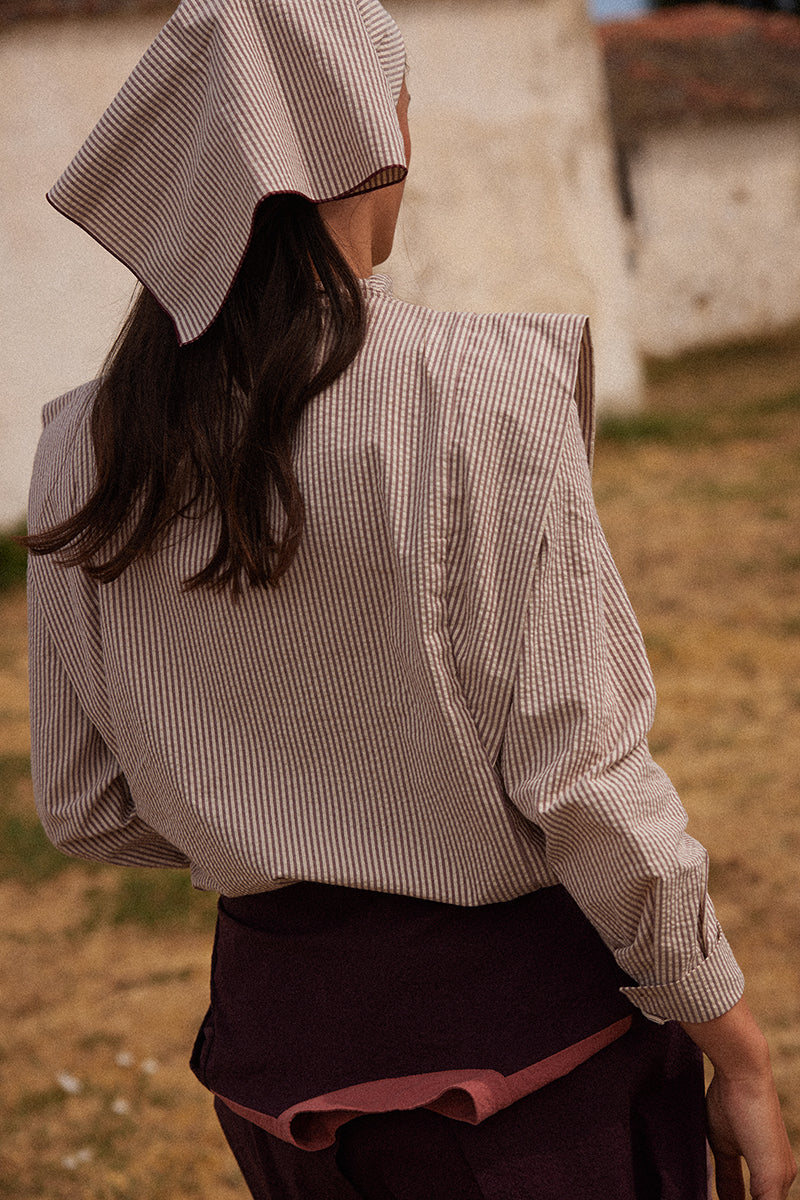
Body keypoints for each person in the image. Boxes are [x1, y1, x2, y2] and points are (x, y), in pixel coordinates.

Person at [24, 1, 795, 1197]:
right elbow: (580, 779)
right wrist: (730, 1044)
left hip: (271, 1070)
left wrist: (269, 813)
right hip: (533, 1075)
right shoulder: (485, 394)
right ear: (372, 136)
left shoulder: (81, 447)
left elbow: (82, 806)